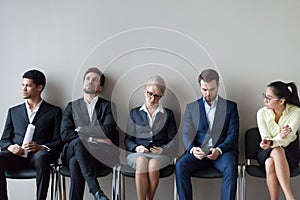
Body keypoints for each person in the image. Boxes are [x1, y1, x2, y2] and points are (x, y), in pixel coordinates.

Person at [175, 69, 239, 200]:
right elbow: (186, 134)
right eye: (204, 89)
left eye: (212, 89)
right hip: (198, 153)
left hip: (223, 153)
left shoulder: (230, 107)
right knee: (180, 166)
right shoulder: (191, 107)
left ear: (218, 86)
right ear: (200, 86)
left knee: (231, 166)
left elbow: (233, 134)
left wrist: (219, 150)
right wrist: (193, 149)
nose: (208, 93)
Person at [0, 69, 62, 200]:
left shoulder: (54, 111)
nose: (23, 89)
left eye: (28, 86)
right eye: (23, 85)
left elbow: (58, 142)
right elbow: (4, 140)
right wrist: (11, 147)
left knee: (42, 157)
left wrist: (40, 147)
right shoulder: (13, 111)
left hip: (38, 157)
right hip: (15, 157)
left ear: (40, 87)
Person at [60, 67, 119, 200]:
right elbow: (65, 134)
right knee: (79, 143)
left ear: (101, 87)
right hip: (73, 150)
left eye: (95, 80)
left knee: (76, 162)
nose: (90, 82)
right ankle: (97, 191)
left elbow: (108, 129)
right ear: (83, 83)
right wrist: (95, 138)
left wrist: (81, 130)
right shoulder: (71, 106)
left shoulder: (109, 106)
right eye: (87, 78)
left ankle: (97, 193)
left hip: (101, 155)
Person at [124, 75, 177, 200]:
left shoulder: (168, 114)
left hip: (160, 155)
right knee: (142, 161)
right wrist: (137, 148)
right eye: (150, 94)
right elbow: (128, 139)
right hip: (137, 154)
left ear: (161, 97)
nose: (152, 99)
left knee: (153, 164)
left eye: (157, 96)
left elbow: (174, 141)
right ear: (144, 91)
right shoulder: (135, 113)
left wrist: (162, 150)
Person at [257, 81, 300, 200]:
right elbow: (265, 137)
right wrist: (277, 138)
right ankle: (289, 196)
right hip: (266, 151)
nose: (265, 100)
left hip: (290, 152)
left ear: (281, 101)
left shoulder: (296, 112)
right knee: (275, 152)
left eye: (269, 98)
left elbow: (287, 141)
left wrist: (275, 140)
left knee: (270, 161)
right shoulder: (261, 113)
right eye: (264, 96)